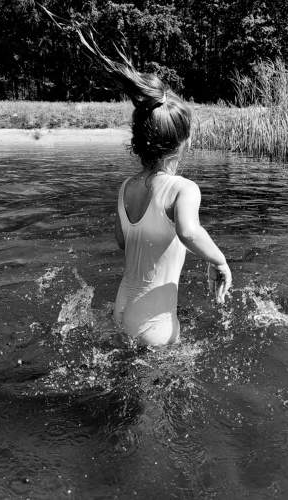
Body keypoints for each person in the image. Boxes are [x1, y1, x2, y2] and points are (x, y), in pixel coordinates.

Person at [108, 67, 232, 346]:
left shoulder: (126, 187)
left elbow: (122, 241)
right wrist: (218, 260)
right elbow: (189, 232)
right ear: (184, 142)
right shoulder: (183, 189)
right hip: (154, 325)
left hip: (121, 310)